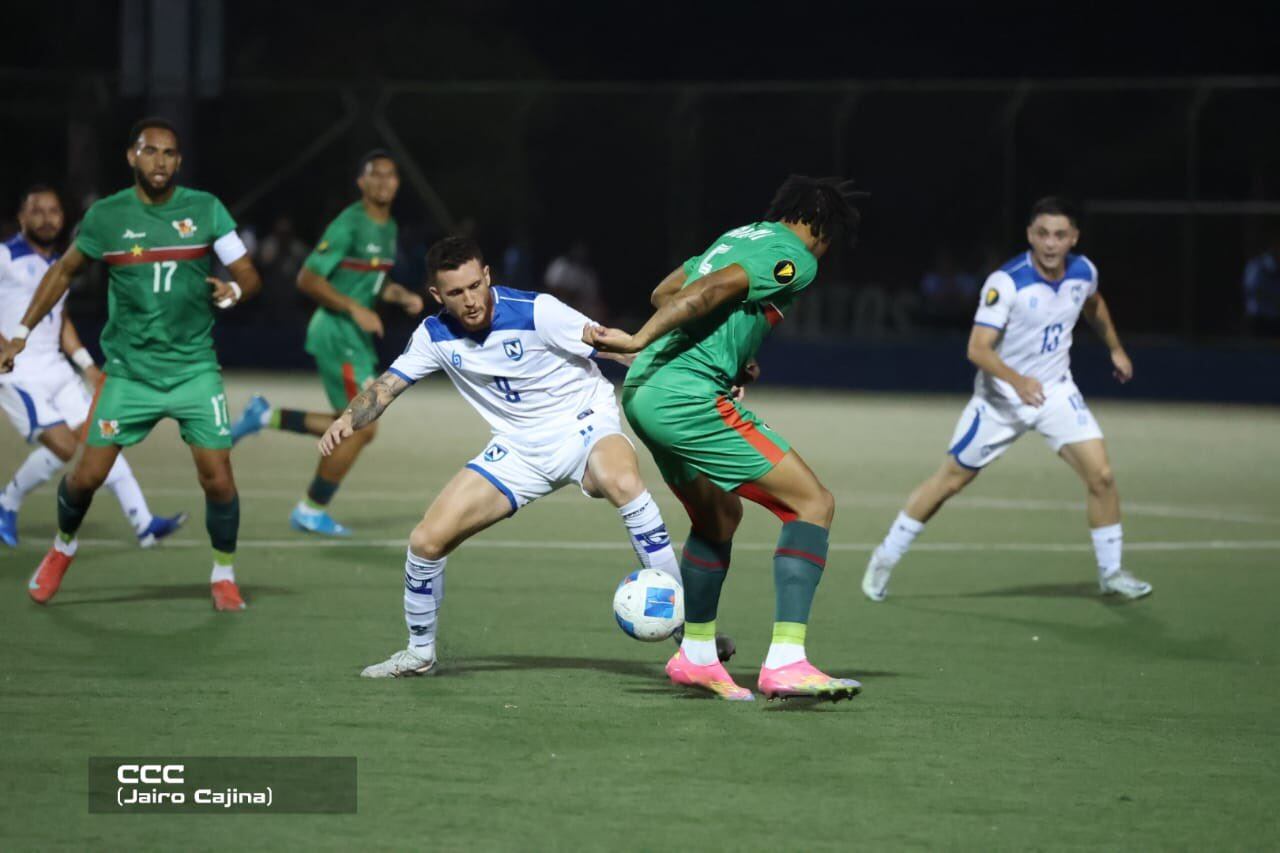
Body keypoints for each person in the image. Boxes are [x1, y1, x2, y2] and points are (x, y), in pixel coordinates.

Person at [319, 236, 704, 678]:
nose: (470, 300)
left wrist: (698, 380)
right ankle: (420, 653)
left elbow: (621, 348)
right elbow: (387, 387)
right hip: (519, 449)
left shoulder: (538, 311)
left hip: (585, 425)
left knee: (623, 483)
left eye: (474, 286)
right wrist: (347, 419)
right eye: (456, 292)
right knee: (426, 542)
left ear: (487, 276)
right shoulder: (433, 335)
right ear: (437, 295)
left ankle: (691, 635)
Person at [589, 175, 866, 702]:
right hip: (685, 396)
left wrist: (731, 353)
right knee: (812, 504)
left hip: (646, 391)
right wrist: (637, 337)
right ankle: (786, 663)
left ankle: (696, 656)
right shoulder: (794, 255)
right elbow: (707, 292)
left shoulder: (740, 236)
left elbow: (666, 292)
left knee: (718, 517)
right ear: (821, 227)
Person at [0, 117, 262, 611]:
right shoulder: (106, 216)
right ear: (131, 157)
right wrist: (19, 334)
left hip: (193, 370)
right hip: (128, 373)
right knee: (85, 478)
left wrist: (234, 290)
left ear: (178, 161)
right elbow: (63, 273)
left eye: (169, 153)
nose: (159, 161)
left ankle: (223, 573)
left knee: (219, 478)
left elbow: (248, 273)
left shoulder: (205, 209)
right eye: (150, 151)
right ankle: (63, 546)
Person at [862, 197, 1152, 603]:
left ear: (1074, 237)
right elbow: (977, 349)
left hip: (1055, 392)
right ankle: (884, 558)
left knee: (1101, 476)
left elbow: (1094, 303)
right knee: (949, 481)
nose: (1050, 243)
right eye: (1042, 234)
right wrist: (1017, 382)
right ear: (1030, 235)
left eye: (1060, 235)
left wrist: (1116, 349)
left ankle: (1112, 573)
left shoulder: (1083, 271)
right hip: (1000, 400)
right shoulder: (1007, 282)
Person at [228, 152, 423, 536]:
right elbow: (308, 278)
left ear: (398, 183)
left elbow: (373, 281)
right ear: (361, 182)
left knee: (350, 422)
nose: (384, 181)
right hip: (337, 333)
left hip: (354, 337)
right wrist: (355, 309)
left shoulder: (388, 226)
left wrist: (399, 295)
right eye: (376, 175)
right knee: (362, 426)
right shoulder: (349, 224)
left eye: (391, 175)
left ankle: (265, 416)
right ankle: (310, 510)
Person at [0, 186, 185, 548]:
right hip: (18, 373)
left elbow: (60, 320)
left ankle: (144, 524)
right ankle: (7, 502)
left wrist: (86, 365)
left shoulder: (61, 264)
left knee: (104, 435)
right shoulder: (5, 255)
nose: (47, 219)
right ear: (21, 217)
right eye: (37, 211)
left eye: (54, 211)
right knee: (64, 447)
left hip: (56, 368)